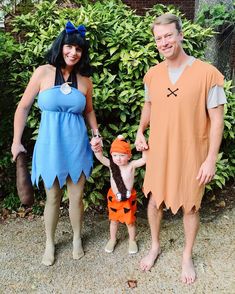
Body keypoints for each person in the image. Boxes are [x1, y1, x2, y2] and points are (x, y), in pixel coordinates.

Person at [135, 13, 227, 284]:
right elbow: (149, 105)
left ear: (180, 35)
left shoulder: (208, 74)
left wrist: (210, 159)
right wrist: (141, 131)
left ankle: (187, 254)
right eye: (159, 38)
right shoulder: (152, 75)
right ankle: (155, 246)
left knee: (190, 206)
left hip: (191, 152)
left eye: (168, 36)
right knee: (154, 200)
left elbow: (217, 120)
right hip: (159, 151)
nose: (164, 42)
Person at [11, 21, 102, 266]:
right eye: (70, 46)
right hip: (50, 145)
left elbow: (90, 111)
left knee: (76, 196)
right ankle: (50, 242)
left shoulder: (85, 81)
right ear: (61, 45)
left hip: (76, 145)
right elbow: (23, 108)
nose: (73, 53)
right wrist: (16, 141)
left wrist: (96, 135)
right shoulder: (42, 72)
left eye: (79, 49)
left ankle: (75, 238)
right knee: (52, 197)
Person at [91, 135, 146, 254]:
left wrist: (143, 149)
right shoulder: (112, 165)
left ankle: (132, 240)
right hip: (114, 198)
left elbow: (143, 160)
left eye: (122, 155)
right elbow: (100, 158)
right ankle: (112, 239)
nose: (118, 159)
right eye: (115, 155)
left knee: (130, 221)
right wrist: (97, 148)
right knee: (113, 221)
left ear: (129, 156)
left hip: (127, 198)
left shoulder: (131, 165)